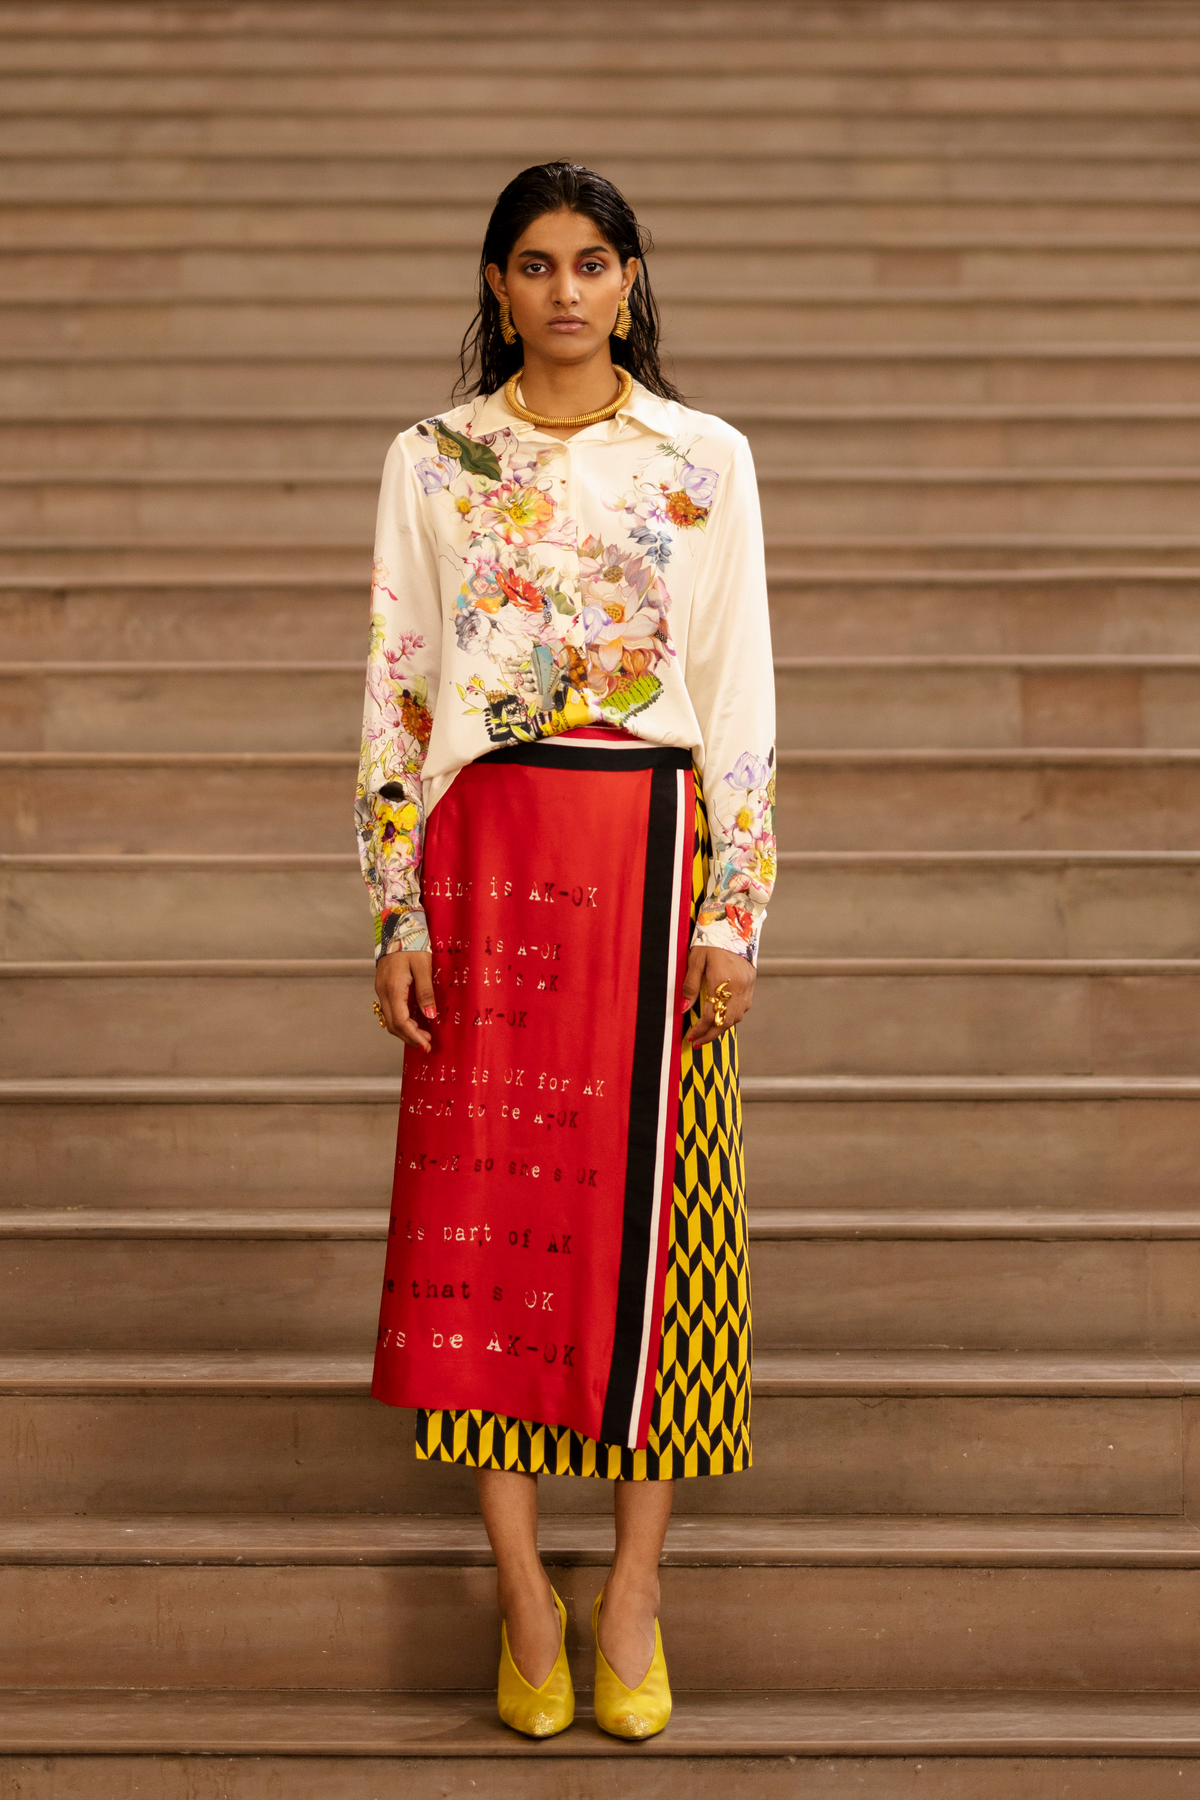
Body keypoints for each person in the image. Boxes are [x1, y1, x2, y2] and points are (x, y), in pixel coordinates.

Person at [356, 161, 775, 1740]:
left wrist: (736, 913)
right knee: (489, 1229)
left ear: (633, 277)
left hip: (655, 854)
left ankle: (640, 1586)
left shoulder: (704, 458)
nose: (565, 292)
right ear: (496, 285)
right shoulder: (434, 460)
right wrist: (395, 905)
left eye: (593, 262)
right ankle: (526, 1594)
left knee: (667, 1234)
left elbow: (737, 689)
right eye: (533, 264)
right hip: (488, 859)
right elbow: (400, 681)